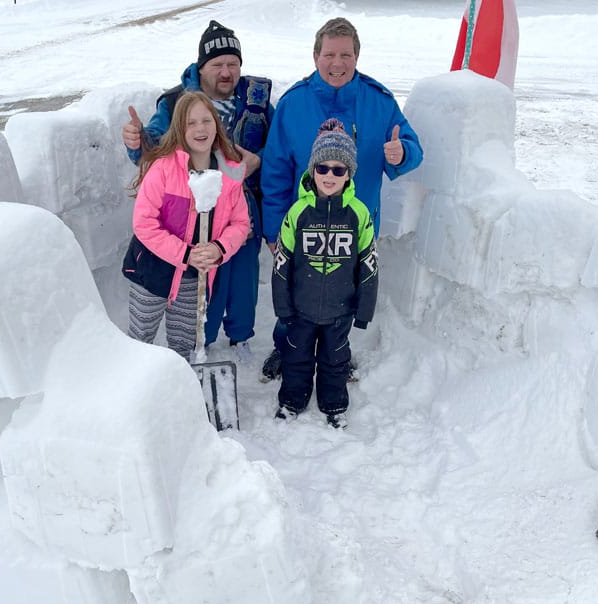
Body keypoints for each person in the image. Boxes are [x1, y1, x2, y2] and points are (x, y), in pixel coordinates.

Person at [259, 16, 423, 381]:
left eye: (346, 55)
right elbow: (274, 173)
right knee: (296, 293)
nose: (338, 63)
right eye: (330, 54)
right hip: (302, 228)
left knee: (344, 295)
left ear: (356, 57)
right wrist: (273, 229)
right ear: (315, 56)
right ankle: (286, 348)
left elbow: (412, 147)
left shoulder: (379, 102)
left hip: (355, 229)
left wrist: (401, 153)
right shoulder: (294, 104)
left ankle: (336, 354)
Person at [122, 20, 274, 363]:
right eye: (217, 64)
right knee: (205, 286)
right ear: (201, 66)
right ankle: (203, 338)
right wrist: (137, 141)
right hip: (183, 225)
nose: (226, 72)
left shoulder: (257, 98)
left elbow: (277, 147)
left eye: (233, 64)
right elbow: (153, 146)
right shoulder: (176, 102)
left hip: (237, 202)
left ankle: (238, 337)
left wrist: (258, 162)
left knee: (241, 279)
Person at [122, 92, 251, 360]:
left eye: (206, 120)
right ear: (179, 128)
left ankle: (179, 381)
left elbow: (240, 223)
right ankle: (135, 381)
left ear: (216, 124)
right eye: (191, 123)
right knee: (140, 337)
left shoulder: (228, 174)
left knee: (183, 342)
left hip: (193, 276)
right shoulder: (163, 169)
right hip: (151, 271)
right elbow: (144, 223)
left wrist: (218, 249)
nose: (200, 128)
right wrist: (185, 253)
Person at [272, 119, 377, 429]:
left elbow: (369, 266)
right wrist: (283, 307)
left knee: (335, 360)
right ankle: (292, 401)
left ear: (349, 174)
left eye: (338, 170)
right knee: (296, 357)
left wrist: (364, 310)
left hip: (339, 310)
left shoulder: (358, 214)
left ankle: (334, 404)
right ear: (312, 170)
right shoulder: (297, 213)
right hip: (301, 309)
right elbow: (282, 264)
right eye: (323, 168)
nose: (330, 176)